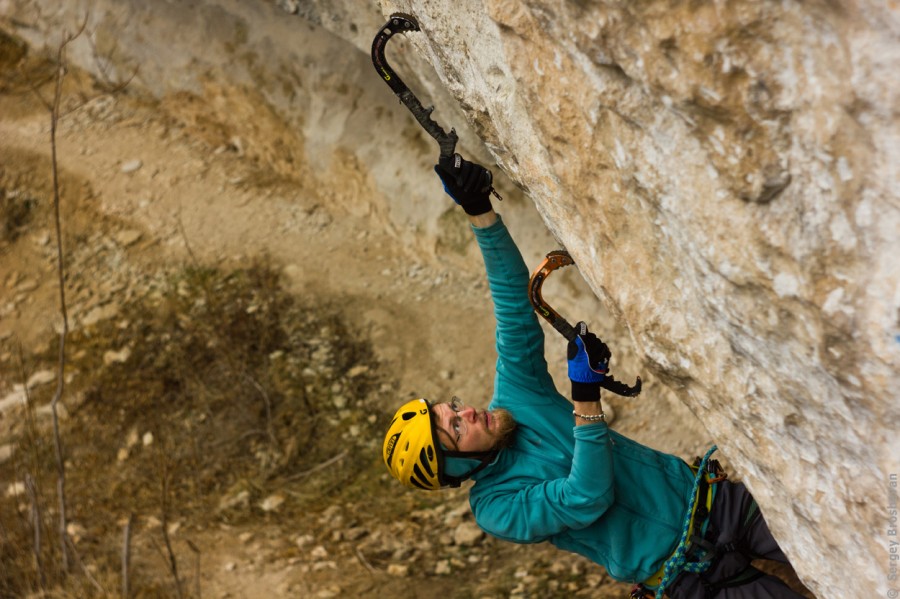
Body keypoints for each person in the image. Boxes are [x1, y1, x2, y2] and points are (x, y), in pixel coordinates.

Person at [382, 155, 805, 599]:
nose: (466, 411)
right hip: (690, 581)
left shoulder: (515, 398)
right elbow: (585, 496)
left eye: (450, 407)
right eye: (455, 427)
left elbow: (511, 306)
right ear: (456, 467)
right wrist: (586, 399)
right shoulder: (495, 509)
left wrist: (478, 213)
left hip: (721, 505)